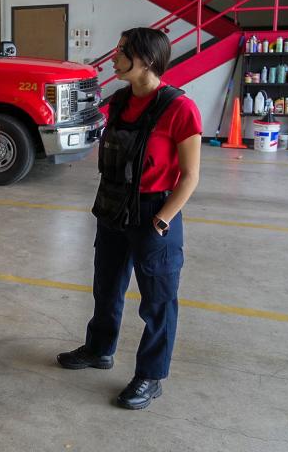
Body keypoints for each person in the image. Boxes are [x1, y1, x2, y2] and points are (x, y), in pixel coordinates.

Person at [57, 27, 201, 409]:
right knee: (107, 286)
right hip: (113, 208)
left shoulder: (179, 108)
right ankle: (99, 349)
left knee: (157, 301)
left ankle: (151, 376)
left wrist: (162, 222)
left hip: (155, 212)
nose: (115, 56)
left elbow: (190, 177)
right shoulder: (120, 100)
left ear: (147, 59)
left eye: (123, 51)